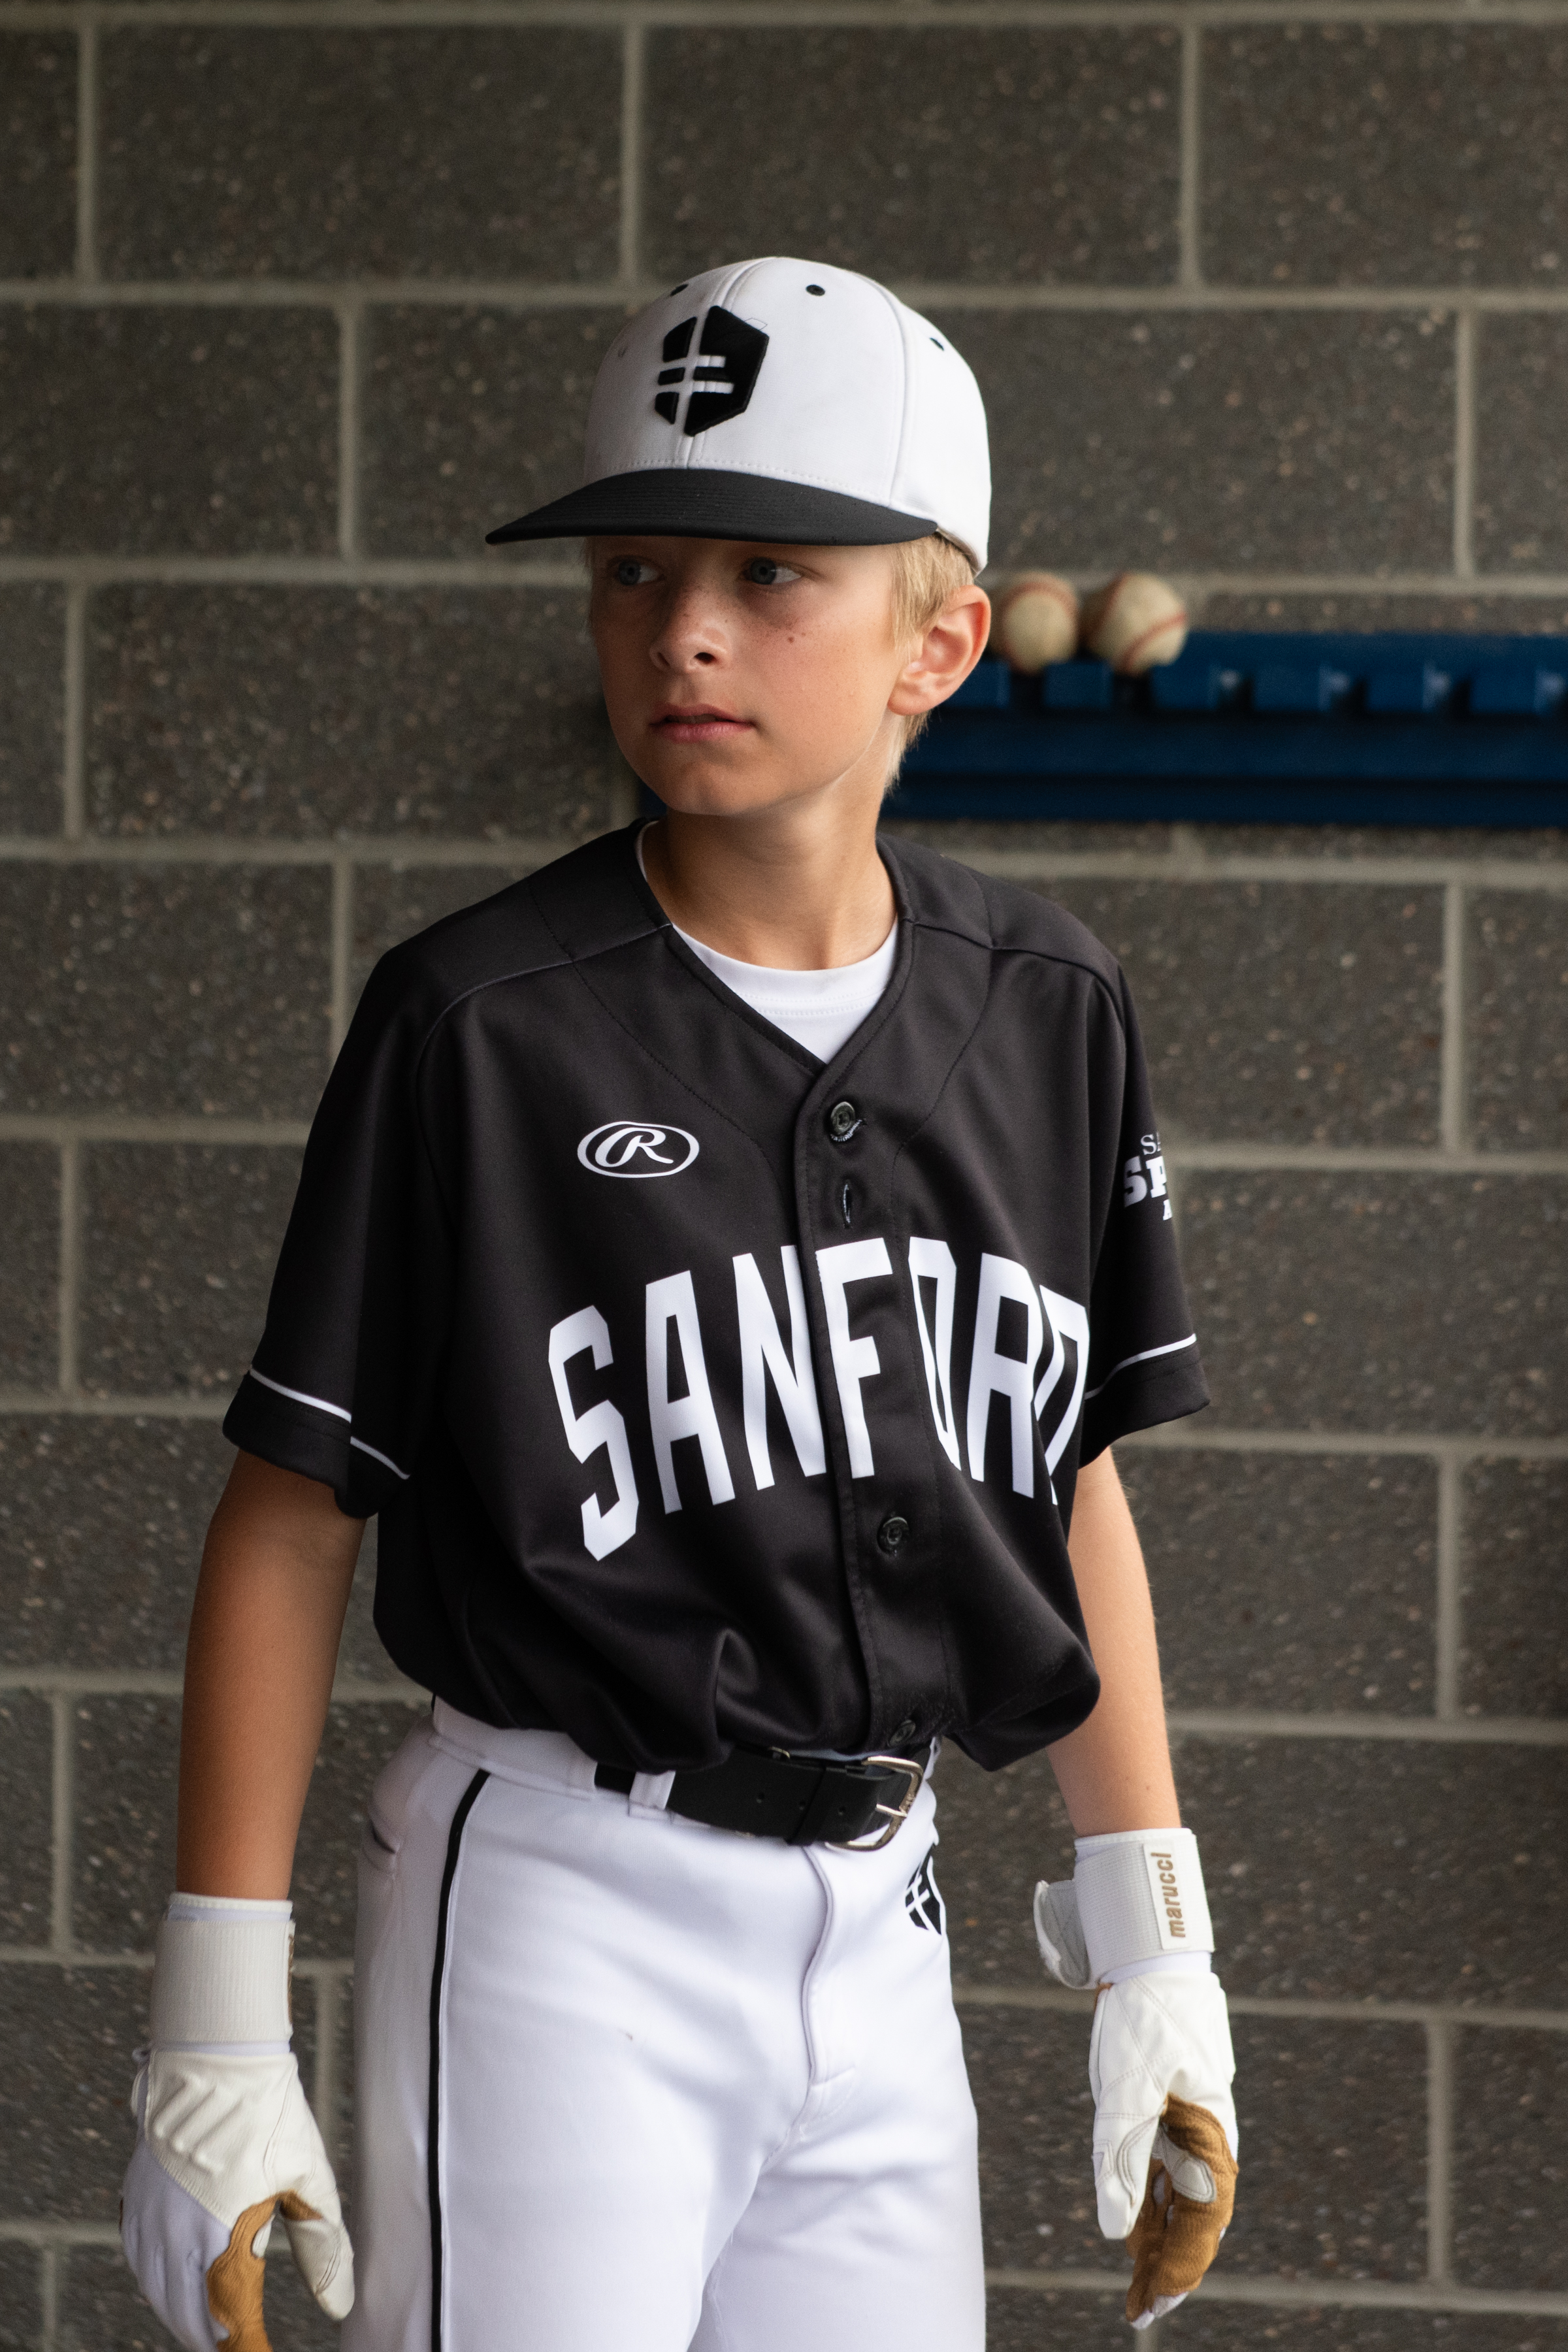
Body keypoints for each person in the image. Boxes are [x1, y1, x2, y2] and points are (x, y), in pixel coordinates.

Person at [119, 257, 1237, 2352]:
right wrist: (218, 2008)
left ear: (945, 640)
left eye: (768, 569)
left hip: (881, 1913)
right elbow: (289, 1517)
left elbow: (1062, 1480)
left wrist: (1150, 1929)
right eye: (634, 569)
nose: (684, 626)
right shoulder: (473, 1021)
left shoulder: (1053, 1009)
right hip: (559, 1898)